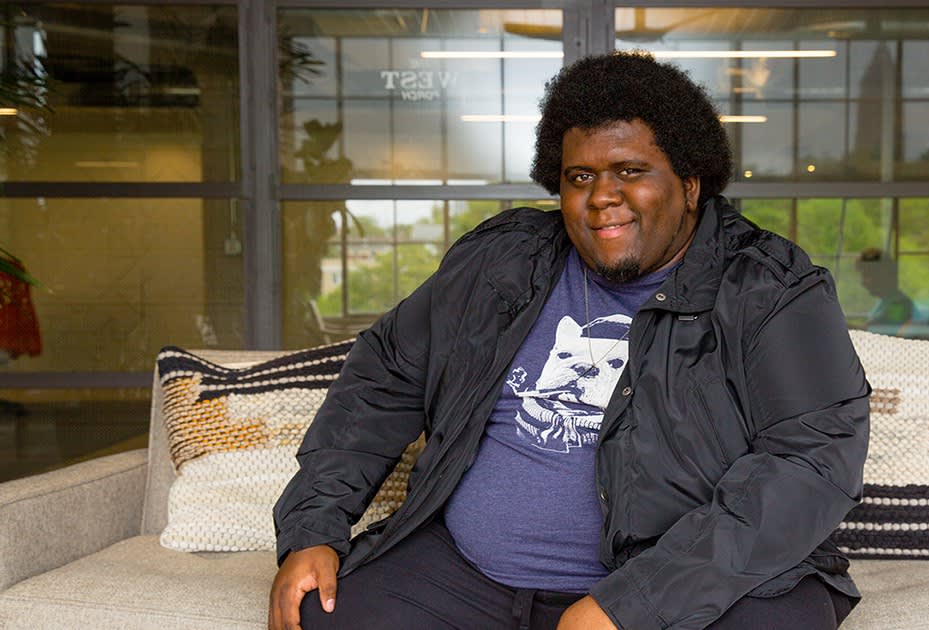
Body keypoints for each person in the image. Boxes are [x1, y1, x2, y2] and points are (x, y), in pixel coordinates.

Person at [269, 51, 870, 630]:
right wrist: (314, 530)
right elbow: (384, 377)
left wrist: (635, 605)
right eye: (581, 176)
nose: (602, 196)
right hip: (467, 576)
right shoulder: (500, 260)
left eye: (631, 172)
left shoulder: (771, 287)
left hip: (683, 586)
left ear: (691, 184)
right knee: (322, 613)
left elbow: (809, 461)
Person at [855, 248, 914, 331]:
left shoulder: (899, 304)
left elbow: (872, 332)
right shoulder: (885, 302)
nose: (863, 283)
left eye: (866, 275)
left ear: (881, 275)